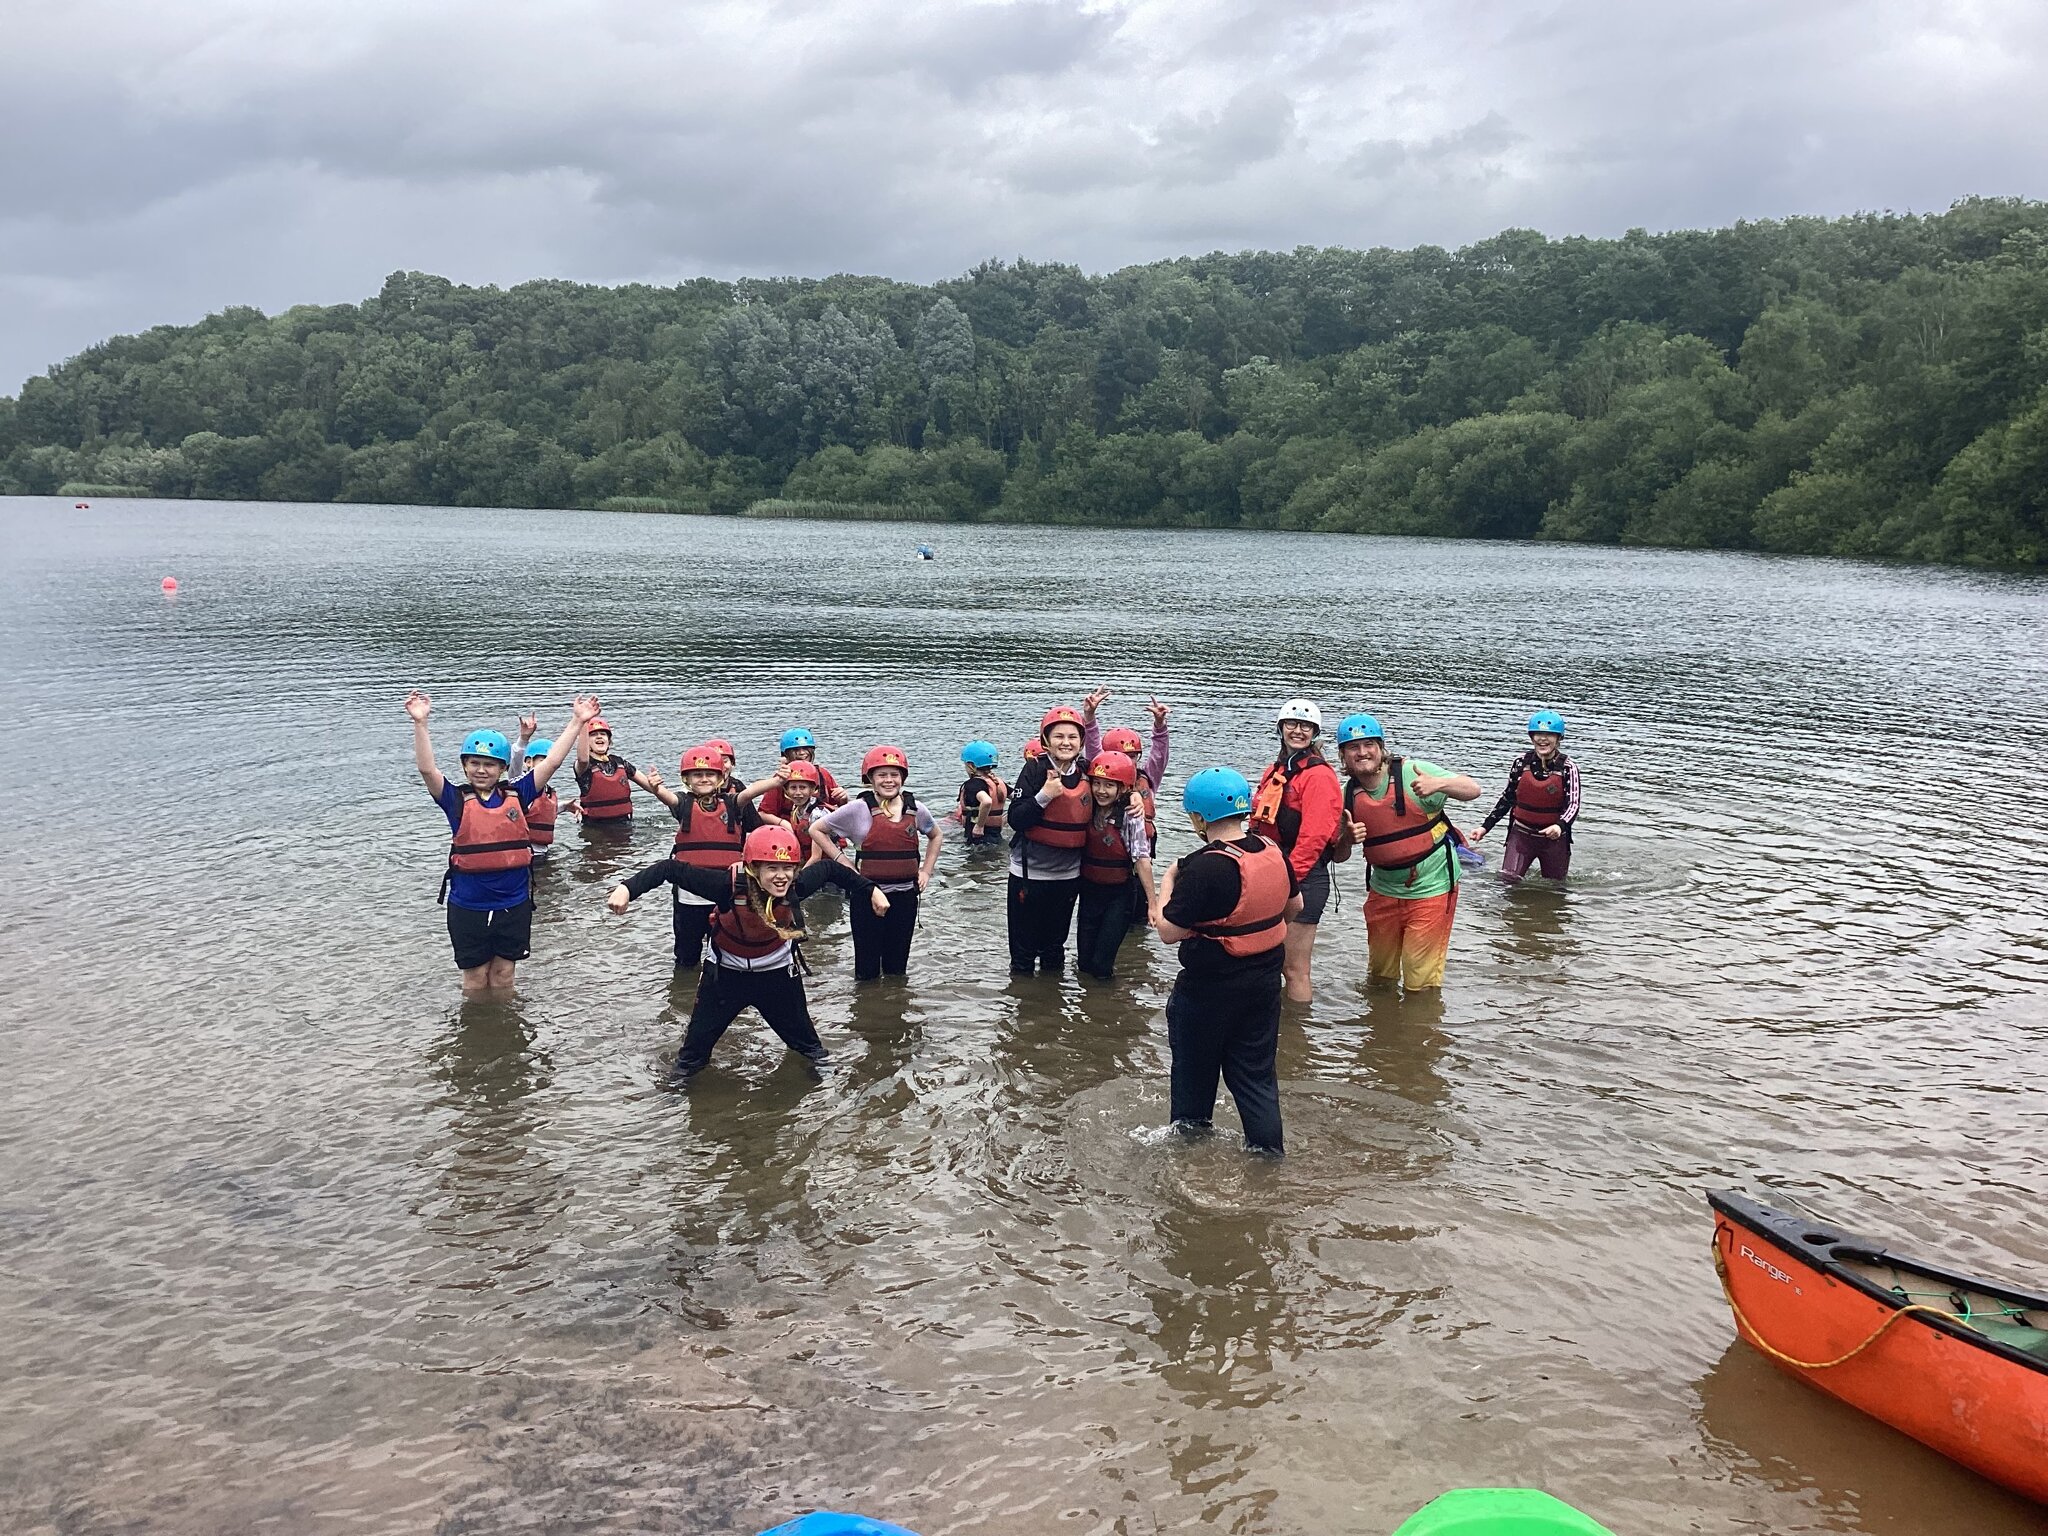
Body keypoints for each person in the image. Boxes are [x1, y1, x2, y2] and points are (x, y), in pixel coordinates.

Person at [606, 825, 889, 1084]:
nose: (781, 877)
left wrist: (871, 890)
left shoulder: (796, 887)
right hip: (725, 978)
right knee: (690, 1060)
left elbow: (831, 870)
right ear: (753, 867)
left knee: (811, 1052)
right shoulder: (725, 886)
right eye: (772, 868)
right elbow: (671, 869)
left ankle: (825, 1098)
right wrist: (627, 888)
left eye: (787, 868)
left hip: (777, 977)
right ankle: (671, 1112)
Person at [406, 690, 597, 995]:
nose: (481, 770)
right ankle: (477, 1033)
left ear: (502, 769)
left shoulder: (518, 794)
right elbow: (427, 769)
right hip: (469, 906)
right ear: (465, 766)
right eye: (475, 763)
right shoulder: (455, 800)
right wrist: (420, 723)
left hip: (513, 904)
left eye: (490, 764)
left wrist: (577, 721)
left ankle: (504, 1031)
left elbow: (553, 763)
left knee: (504, 975)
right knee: (476, 977)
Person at [1151, 767, 1300, 1155]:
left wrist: (1167, 882)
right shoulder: (1274, 852)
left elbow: (1168, 931)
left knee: (1194, 1076)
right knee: (1256, 1078)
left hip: (1208, 991)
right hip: (1264, 984)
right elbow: (1295, 907)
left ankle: (1187, 1154)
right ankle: (1268, 1158)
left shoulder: (1204, 866)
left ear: (1198, 818)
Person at [1330, 714, 1482, 992]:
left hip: (1431, 888)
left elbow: (1473, 789)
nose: (1362, 753)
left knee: (1419, 981)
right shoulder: (1346, 795)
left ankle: (1420, 1023)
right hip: (1383, 891)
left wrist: (1440, 784)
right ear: (1343, 755)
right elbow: (1338, 857)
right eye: (1353, 747)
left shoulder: (1413, 771)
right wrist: (1347, 840)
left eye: (1369, 745)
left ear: (1380, 748)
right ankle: (1386, 1030)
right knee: (1379, 977)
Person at [810, 745, 942, 980]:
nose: (889, 780)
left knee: (897, 970)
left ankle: (891, 1009)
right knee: (867, 971)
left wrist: (926, 872)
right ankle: (867, 1005)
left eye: (895, 774)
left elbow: (936, 835)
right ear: (870, 778)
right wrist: (846, 866)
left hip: (905, 897)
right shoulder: (857, 809)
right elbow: (817, 829)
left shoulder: (916, 808)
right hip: (867, 897)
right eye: (882, 775)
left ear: (903, 777)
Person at [1247, 699, 1345, 1004]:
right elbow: (1256, 824)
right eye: (1291, 724)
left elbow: (1313, 839)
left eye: (1306, 726)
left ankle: (1299, 1030)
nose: (1298, 731)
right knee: (1266, 962)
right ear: (1281, 728)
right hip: (1273, 871)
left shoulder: (1319, 776)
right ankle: (1280, 1030)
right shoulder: (1274, 770)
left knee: (1294, 968)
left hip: (1303, 878)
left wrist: (1286, 882)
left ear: (1314, 733)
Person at [661, 742, 771, 970]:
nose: (703, 779)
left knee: (727, 953)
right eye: (697, 775)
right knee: (686, 957)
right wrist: (654, 787)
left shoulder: (732, 803)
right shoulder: (682, 804)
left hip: (724, 894)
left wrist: (778, 781)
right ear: (687, 779)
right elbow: (666, 797)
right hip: (689, 897)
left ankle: (719, 992)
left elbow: (751, 792)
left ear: (721, 778)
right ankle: (686, 996)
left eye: (709, 774)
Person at [1005, 705, 1093, 975]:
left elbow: (1121, 786)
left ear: (1081, 742)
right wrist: (1043, 795)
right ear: (1046, 741)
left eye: (1072, 737)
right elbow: (1016, 818)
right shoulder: (1033, 770)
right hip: (1028, 876)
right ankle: (1028, 1008)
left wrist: (1134, 796)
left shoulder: (1088, 772)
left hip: (1067, 878)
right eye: (1058, 736)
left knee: (1054, 950)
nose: (1065, 742)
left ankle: (1051, 1006)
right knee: (1022, 954)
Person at [1469, 710, 1580, 884]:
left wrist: (1560, 826)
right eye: (1538, 734)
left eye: (1549, 735)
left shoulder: (1568, 767)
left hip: (1554, 840)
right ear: (1531, 737)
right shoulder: (1521, 763)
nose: (1543, 739)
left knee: (1555, 888)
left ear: (1558, 739)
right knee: (1507, 879)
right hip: (1521, 835)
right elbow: (1507, 798)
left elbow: (1573, 804)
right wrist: (1485, 827)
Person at [1074, 753, 1157, 980]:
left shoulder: (1130, 815)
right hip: (1090, 891)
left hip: (1119, 894)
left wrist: (1152, 904)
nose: (1101, 791)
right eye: (1097, 784)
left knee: (1102, 965)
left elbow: (1142, 857)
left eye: (1109, 785)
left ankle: (1107, 1004)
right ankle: (1093, 1008)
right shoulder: (1087, 807)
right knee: (1084, 963)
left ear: (1121, 789)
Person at [1081, 688, 1169, 848]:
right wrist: (1089, 717)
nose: (1127, 762)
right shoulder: (1100, 778)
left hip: (1136, 859)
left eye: (1132, 756)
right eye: (1119, 756)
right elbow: (1093, 748)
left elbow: (1159, 756)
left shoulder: (1147, 777)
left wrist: (1160, 727)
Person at [574, 716, 663, 826]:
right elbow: (582, 759)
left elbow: (650, 787)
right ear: (586, 741)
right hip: (595, 827)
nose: (599, 737)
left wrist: (655, 785)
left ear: (609, 740)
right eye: (593, 734)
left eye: (603, 734)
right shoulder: (584, 767)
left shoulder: (620, 763)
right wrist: (583, 723)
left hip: (624, 824)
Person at [740, 758, 835, 862]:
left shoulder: (817, 814)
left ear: (813, 789)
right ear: (786, 790)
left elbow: (816, 857)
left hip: (827, 865)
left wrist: (799, 876)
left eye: (803, 788)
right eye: (793, 788)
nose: (798, 793)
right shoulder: (796, 811)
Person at [759, 727, 849, 819]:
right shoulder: (781, 778)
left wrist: (843, 799)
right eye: (796, 750)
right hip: (790, 829)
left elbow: (839, 807)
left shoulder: (822, 774)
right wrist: (784, 824)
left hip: (818, 827)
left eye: (806, 748)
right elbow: (763, 814)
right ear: (786, 754)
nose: (802, 753)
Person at [956, 741, 1008, 846]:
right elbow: (1019, 798)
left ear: (971, 765)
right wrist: (1004, 819)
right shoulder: (997, 782)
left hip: (979, 838)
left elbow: (987, 801)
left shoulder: (973, 785)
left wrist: (979, 826)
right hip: (996, 834)